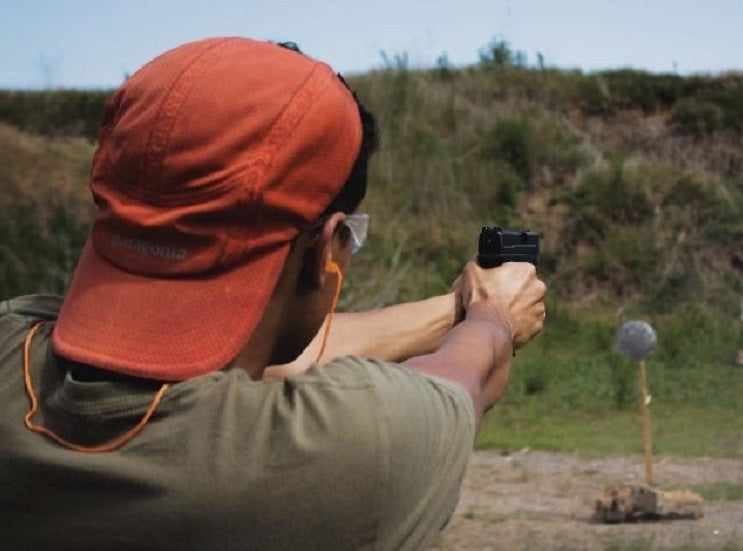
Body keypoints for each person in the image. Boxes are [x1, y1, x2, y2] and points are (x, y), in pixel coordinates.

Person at [0, 37, 546, 550]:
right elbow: (469, 377)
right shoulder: (357, 447)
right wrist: (493, 316)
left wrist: (457, 307)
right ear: (326, 250)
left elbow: (274, 352)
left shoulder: (11, 338)